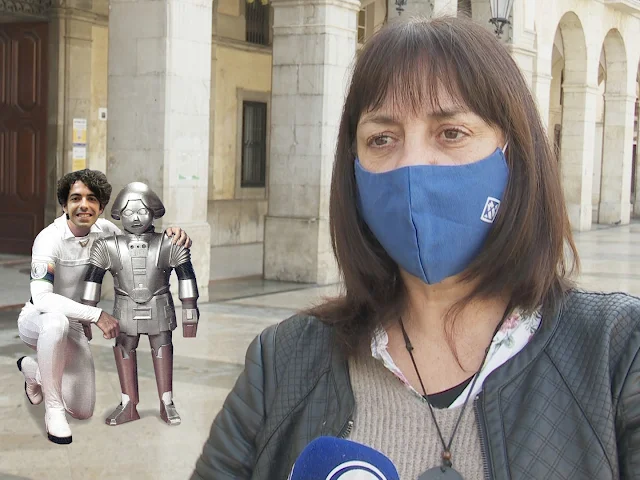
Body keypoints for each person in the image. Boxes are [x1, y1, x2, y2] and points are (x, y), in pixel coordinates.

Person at [191, 16, 640, 480]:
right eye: (381, 139)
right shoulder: (282, 361)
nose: (412, 167)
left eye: (451, 133)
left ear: (514, 152)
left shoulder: (618, 355)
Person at [15, 169, 191, 445]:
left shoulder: (106, 232)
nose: (83, 205)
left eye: (91, 199)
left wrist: (174, 233)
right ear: (64, 204)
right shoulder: (48, 238)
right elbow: (43, 299)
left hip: (75, 324)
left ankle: (33, 371)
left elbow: (145, 234)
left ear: (101, 206)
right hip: (39, 319)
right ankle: (53, 410)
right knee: (56, 321)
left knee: (83, 409)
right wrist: (95, 314)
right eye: (75, 198)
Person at [81, 182, 200, 427]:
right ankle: (128, 403)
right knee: (124, 348)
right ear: (118, 215)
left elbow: (186, 275)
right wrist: (88, 314)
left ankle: (167, 401)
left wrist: (190, 309)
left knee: (163, 347)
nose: (135, 218)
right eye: (128, 213)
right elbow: (92, 280)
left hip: (159, 305)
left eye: (142, 212)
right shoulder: (107, 245)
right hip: (124, 308)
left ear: (154, 212)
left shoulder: (169, 243)